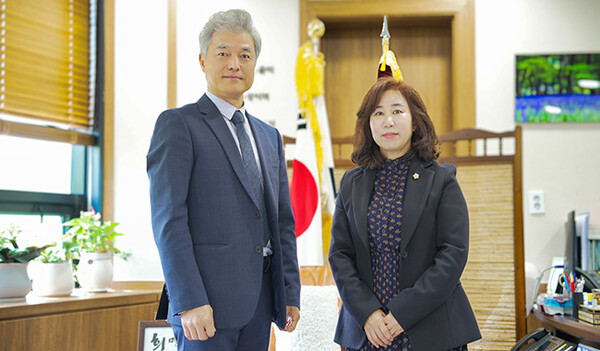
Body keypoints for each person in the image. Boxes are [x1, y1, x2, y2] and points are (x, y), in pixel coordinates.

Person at [147, 9, 300, 351]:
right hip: (205, 307)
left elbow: (282, 221)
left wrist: (289, 292)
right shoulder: (178, 125)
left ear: (254, 63)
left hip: (261, 304)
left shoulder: (269, 136)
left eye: (245, 55)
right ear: (203, 61)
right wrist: (188, 300)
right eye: (223, 53)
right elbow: (168, 221)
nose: (235, 63)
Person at [329, 77, 481, 351]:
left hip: (430, 329)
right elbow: (340, 255)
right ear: (369, 124)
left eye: (397, 111)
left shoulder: (441, 179)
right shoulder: (351, 183)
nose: (388, 121)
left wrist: (402, 314)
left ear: (415, 121)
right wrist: (368, 313)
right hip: (368, 332)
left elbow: (453, 253)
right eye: (379, 113)